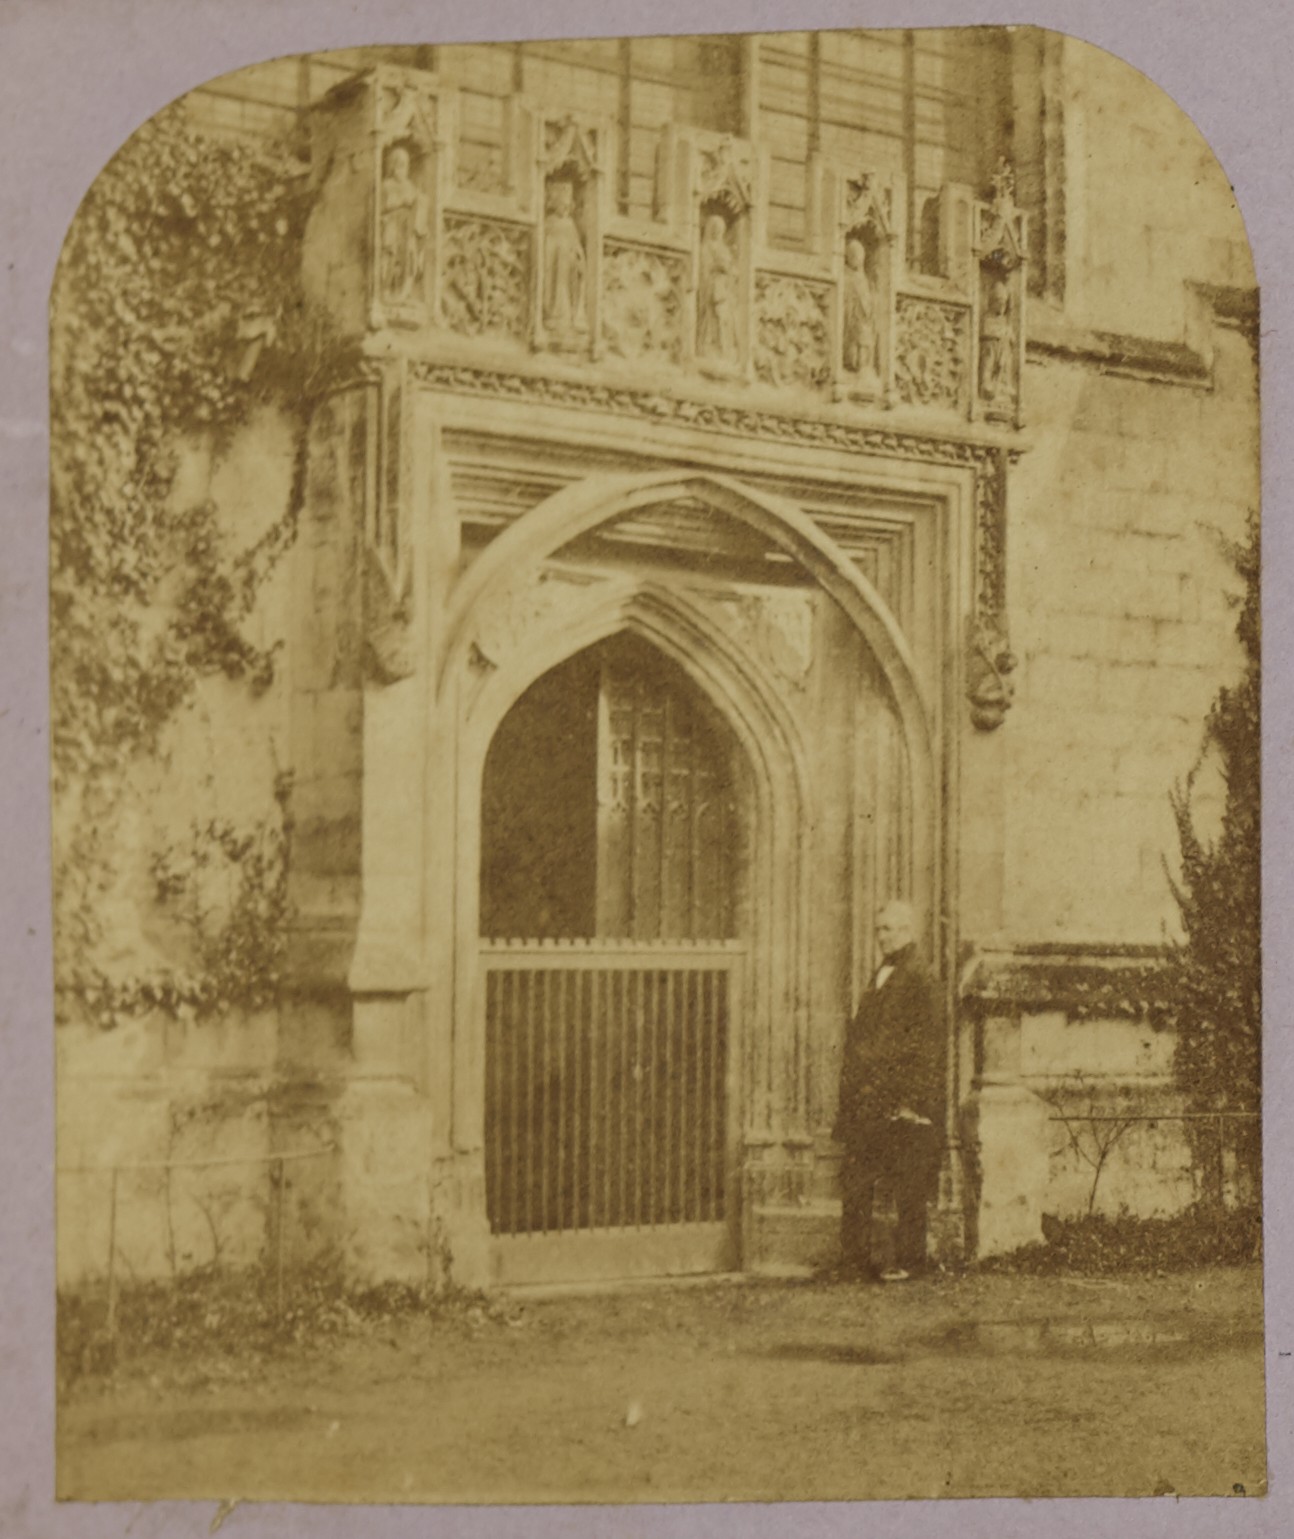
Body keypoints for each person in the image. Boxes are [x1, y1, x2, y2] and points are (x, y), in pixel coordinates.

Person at [833, 900, 944, 1280]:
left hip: (899, 1099)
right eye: (879, 929)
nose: (882, 936)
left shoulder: (920, 976)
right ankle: (855, 1262)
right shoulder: (881, 972)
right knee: (858, 1178)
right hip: (870, 1096)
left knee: (909, 1185)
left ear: (909, 932)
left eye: (890, 929)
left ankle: (910, 1263)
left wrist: (913, 1103)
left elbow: (928, 1045)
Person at [380, 144, 428, 306]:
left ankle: (404, 293)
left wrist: (419, 200)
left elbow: (417, 201)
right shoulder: (386, 185)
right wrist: (402, 201)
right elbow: (383, 206)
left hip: (408, 231)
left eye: (405, 166)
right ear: (392, 167)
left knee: (409, 258)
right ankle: (387, 291)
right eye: (399, 165)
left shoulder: (409, 186)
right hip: (393, 227)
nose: (403, 170)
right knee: (391, 258)